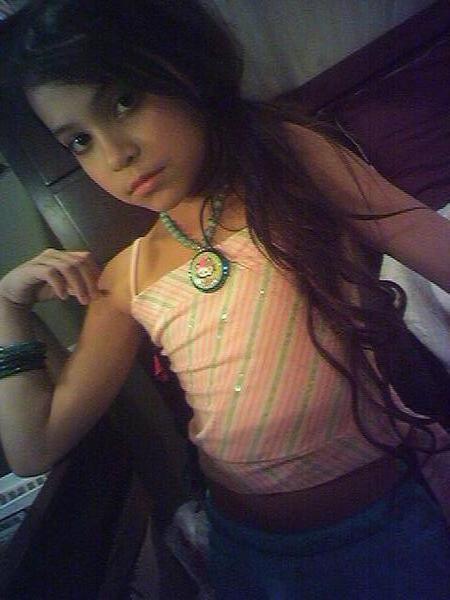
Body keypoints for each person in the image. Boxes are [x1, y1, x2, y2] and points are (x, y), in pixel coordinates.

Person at [1, 1, 450, 597]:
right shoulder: (127, 276)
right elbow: (34, 446)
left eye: (124, 100)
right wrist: (7, 309)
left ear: (180, 67)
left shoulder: (287, 160)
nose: (114, 154)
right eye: (80, 140)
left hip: (383, 532)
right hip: (247, 551)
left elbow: (425, 238)